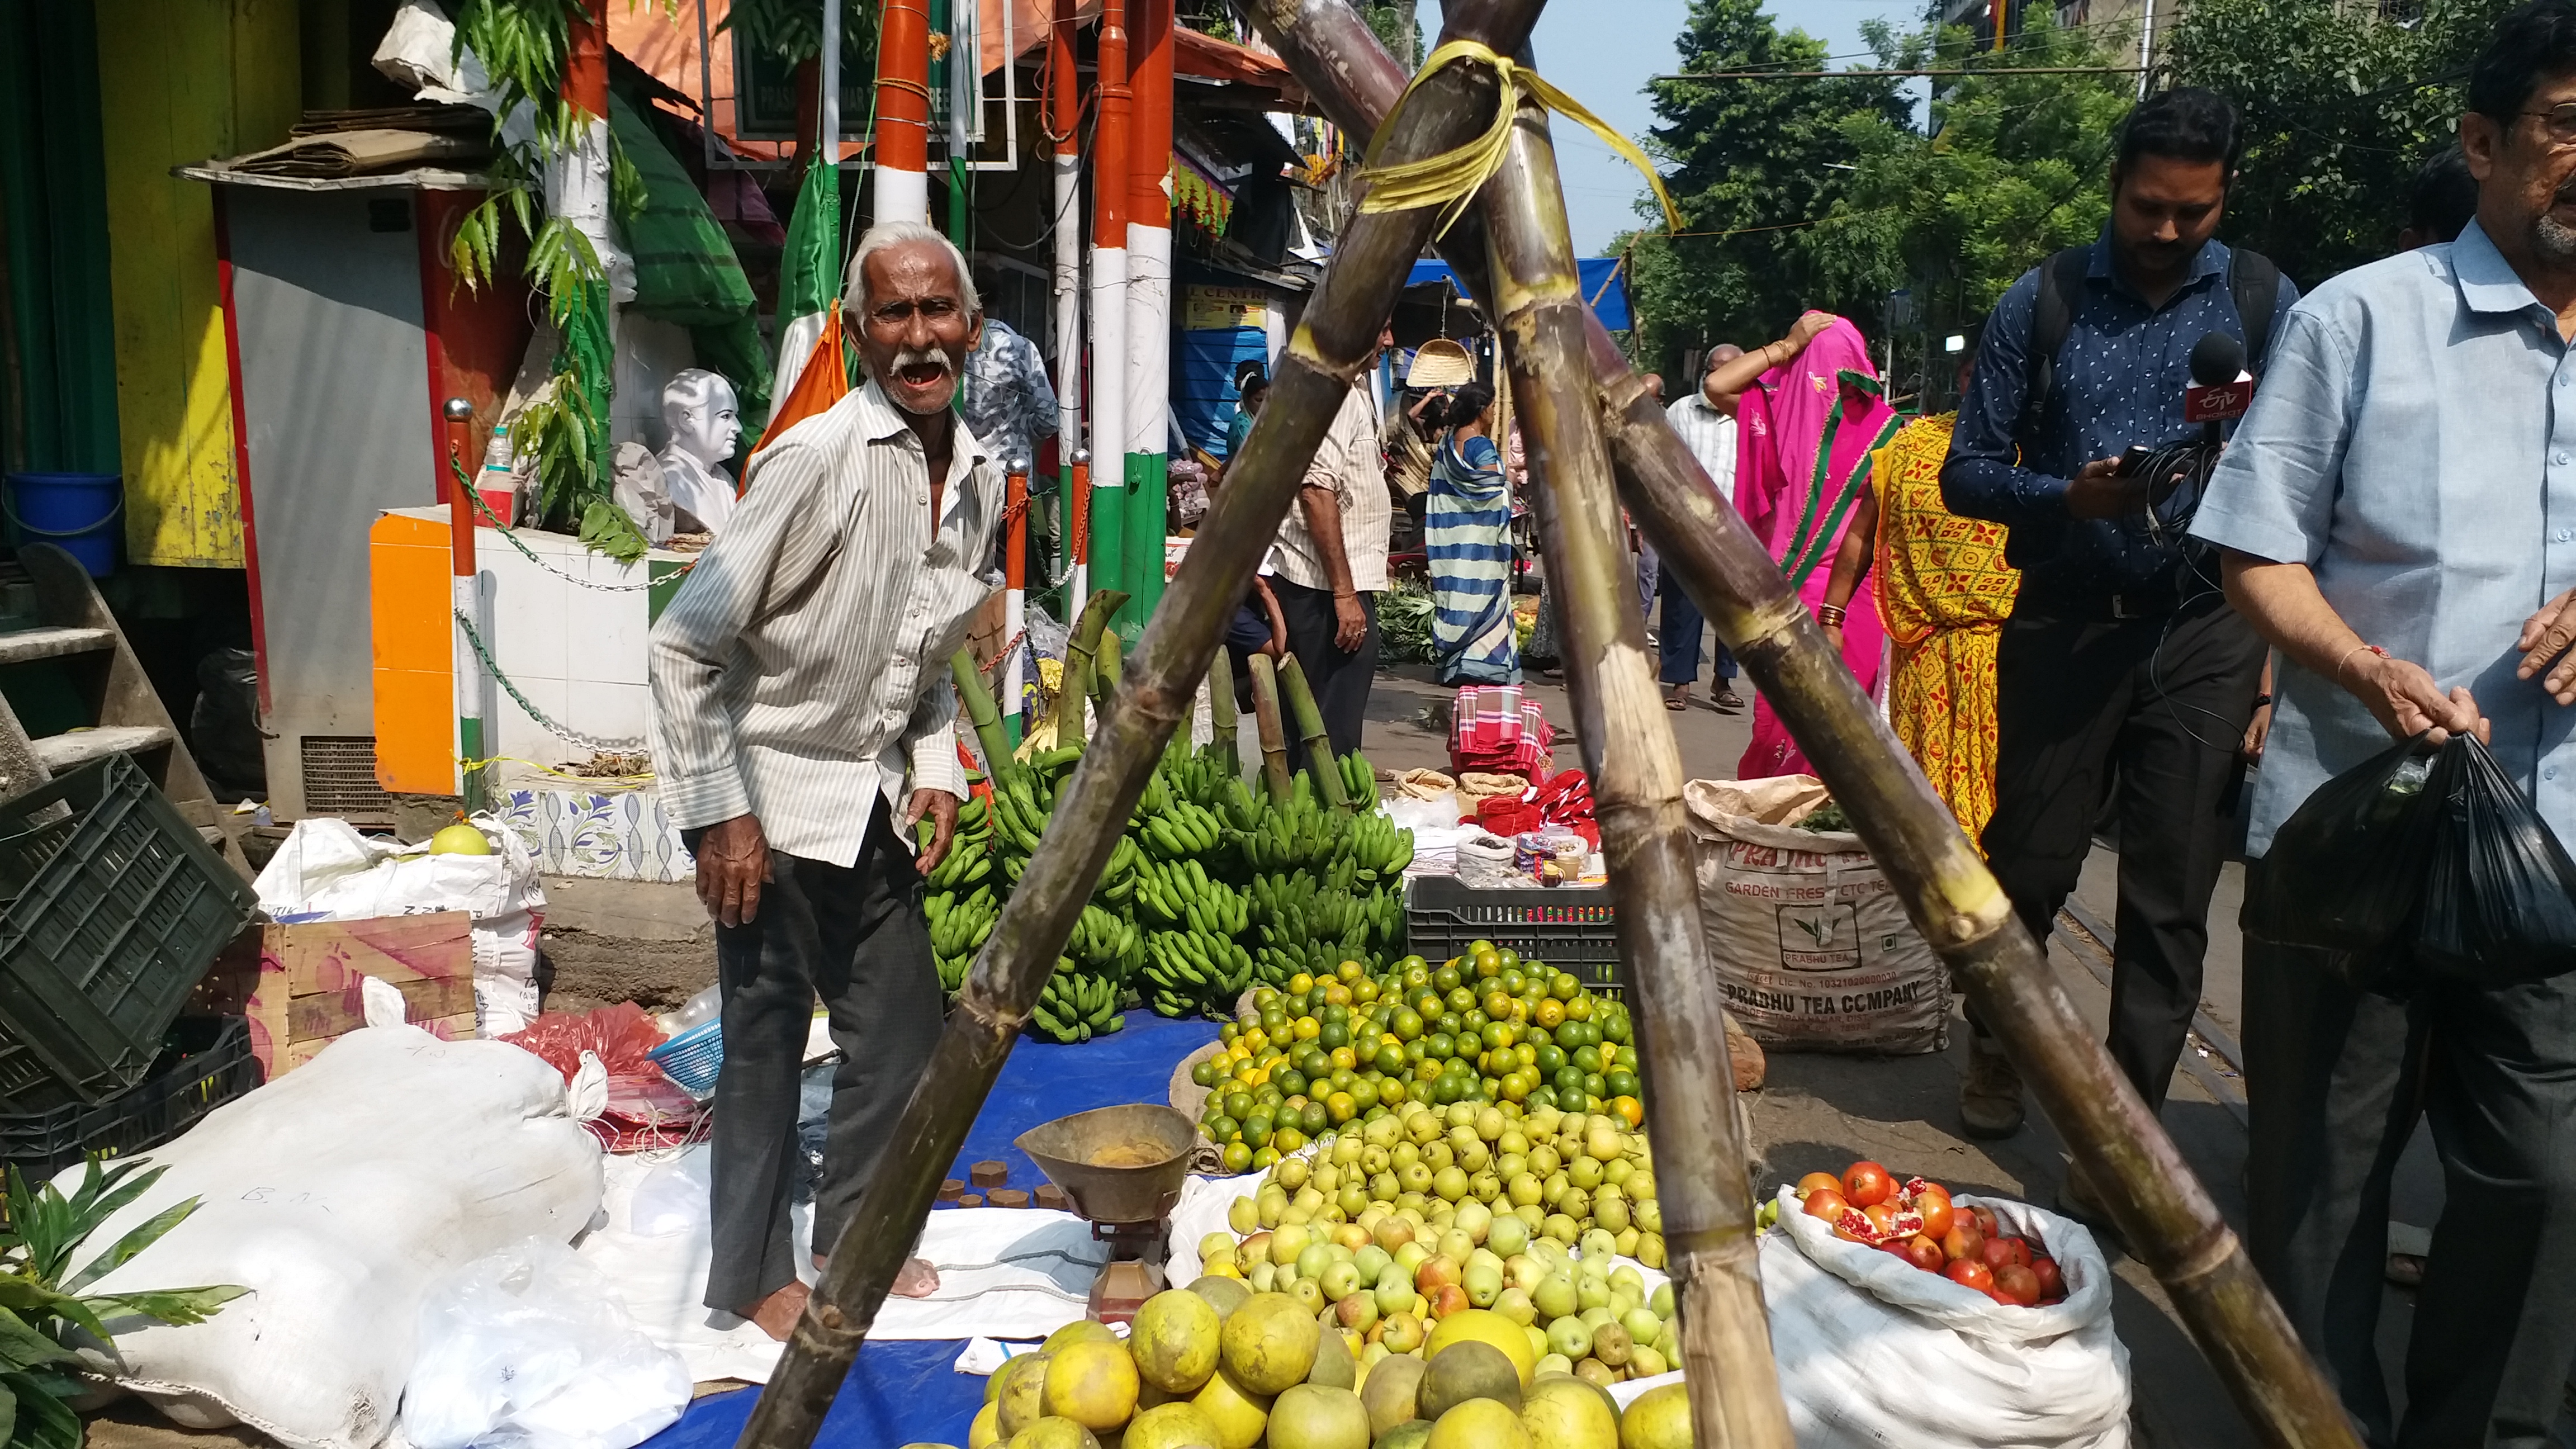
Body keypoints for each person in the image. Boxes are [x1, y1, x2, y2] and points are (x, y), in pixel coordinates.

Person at [2191, 6, 2576, 1438]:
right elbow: (2253, 551)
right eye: (2566, 124)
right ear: (2484, 143)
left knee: (2545, 1181)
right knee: (2323, 1193)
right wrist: (2365, 669)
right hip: (2353, 839)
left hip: (2555, 854)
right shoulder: (2358, 317)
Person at [650, 219, 1000, 1341]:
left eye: (936, 311)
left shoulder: (978, 476)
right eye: (892, 315)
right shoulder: (818, 462)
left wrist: (937, 763)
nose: (918, 337)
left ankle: (855, 1239)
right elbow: (684, 643)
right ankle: (750, 1275)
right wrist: (720, 816)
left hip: (873, 799)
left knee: (901, 1032)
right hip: (775, 798)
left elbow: (930, 645)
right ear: (858, 336)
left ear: (971, 328)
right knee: (761, 1040)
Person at [1939, 87, 2299, 1161]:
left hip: (2204, 630)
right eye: (2148, 207)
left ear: (2222, 196)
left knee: (2169, 890)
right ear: (2115, 189)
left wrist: (2272, 666)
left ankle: (2127, 1133)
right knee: (2031, 865)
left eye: (2191, 211)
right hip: (2065, 622)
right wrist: (2063, 498)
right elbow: (1966, 472)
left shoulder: (2265, 303)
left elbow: (2305, 472)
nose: (2166, 231)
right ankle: (2000, 1040)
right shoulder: (2038, 302)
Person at [1819, 341, 2018, 838]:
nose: (1987, 385)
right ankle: (1927, 887)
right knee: (1920, 786)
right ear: (1961, 377)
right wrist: (1831, 617)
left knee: (2003, 791)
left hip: (2011, 652)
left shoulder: (2041, 451)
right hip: (1923, 644)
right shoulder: (1911, 447)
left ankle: (1989, 897)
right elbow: (1863, 533)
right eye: (1977, 373)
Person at [1714, 311, 1896, 777]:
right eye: (1811, 364)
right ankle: (1773, 810)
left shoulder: (1890, 432)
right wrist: (1786, 346)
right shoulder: (1777, 411)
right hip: (1784, 588)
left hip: (1853, 596)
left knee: (1843, 715)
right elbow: (1717, 386)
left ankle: (1824, 820)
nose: (1821, 383)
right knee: (1778, 718)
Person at [1270, 326, 1393, 756]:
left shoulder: (1353, 390)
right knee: (1329, 730)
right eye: (1381, 329)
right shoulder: (1337, 396)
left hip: (1331, 583)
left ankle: (1314, 813)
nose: (1390, 341)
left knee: (1319, 722)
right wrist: (1345, 592)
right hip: (1324, 593)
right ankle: (1324, 817)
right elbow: (1317, 490)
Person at [1659, 343, 1746, 712]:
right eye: (1713, 370)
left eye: (1729, 370)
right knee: (1682, 607)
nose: (1718, 377)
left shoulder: (1752, 417)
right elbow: (1663, 462)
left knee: (1733, 610)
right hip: (1686, 525)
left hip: (1737, 530)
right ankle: (1680, 683)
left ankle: (1724, 681)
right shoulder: (1681, 411)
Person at [1424, 382, 1518, 685]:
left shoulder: (1448, 442)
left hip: (1453, 538)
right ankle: (1481, 666)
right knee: (1484, 595)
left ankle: (1454, 665)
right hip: (1480, 542)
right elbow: (1490, 487)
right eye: (1492, 407)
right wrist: (1508, 485)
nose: (1494, 413)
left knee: (1456, 595)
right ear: (1482, 411)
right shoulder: (1480, 445)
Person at [1225, 364, 1268, 462]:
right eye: (1258, 400)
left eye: (1267, 400)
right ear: (1246, 399)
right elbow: (1252, 456)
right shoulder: (1242, 423)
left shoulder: (1264, 420)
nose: (1263, 405)